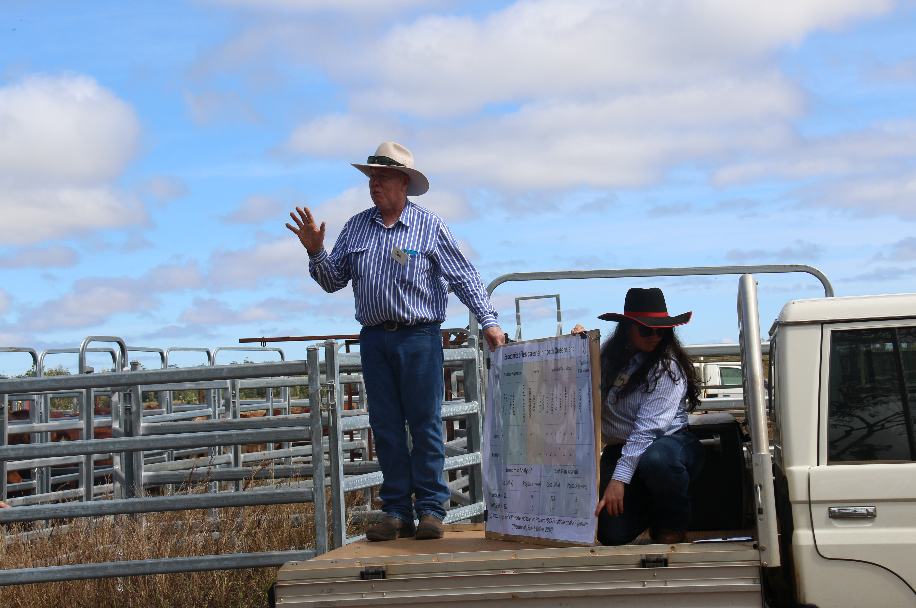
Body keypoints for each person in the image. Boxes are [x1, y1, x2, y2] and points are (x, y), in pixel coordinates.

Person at [286, 142, 505, 541]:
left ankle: (431, 509)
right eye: (371, 177)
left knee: (424, 424)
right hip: (374, 339)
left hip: (419, 335)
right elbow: (333, 281)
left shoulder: (430, 226)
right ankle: (397, 510)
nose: (374, 184)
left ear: (403, 182)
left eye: (383, 177)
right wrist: (316, 253)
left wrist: (488, 321)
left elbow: (464, 277)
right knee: (385, 426)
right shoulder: (356, 227)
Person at [571, 287, 703, 545]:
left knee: (659, 460)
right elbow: (581, 387)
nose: (655, 336)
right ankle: (651, 505)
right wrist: (577, 348)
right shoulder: (608, 361)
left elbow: (648, 430)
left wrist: (619, 480)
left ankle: (671, 525)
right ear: (627, 329)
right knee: (612, 535)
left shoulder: (667, 366)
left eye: (660, 330)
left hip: (669, 444)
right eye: (646, 329)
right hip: (623, 450)